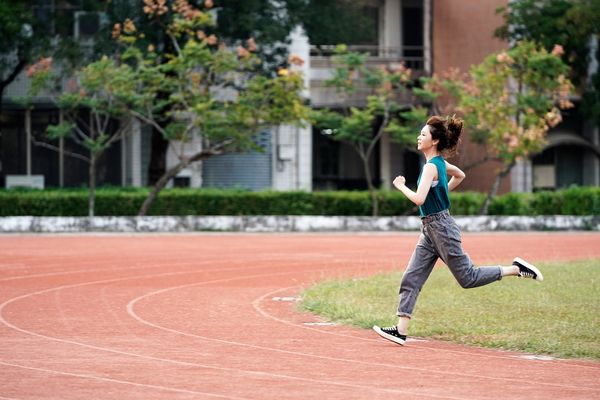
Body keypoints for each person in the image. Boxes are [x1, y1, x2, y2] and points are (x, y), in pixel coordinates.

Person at [373, 115, 543, 346]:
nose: (419, 137)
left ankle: (516, 269)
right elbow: (460, 175)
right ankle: (400, 330)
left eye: (423, 134)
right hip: (430, 229)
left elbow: (419, 198)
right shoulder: (440, 164)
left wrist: (401, 186)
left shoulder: (431, 167)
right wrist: (442, 195)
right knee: (411, 277)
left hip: (440, 228)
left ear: (433, 141)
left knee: (468, 278)